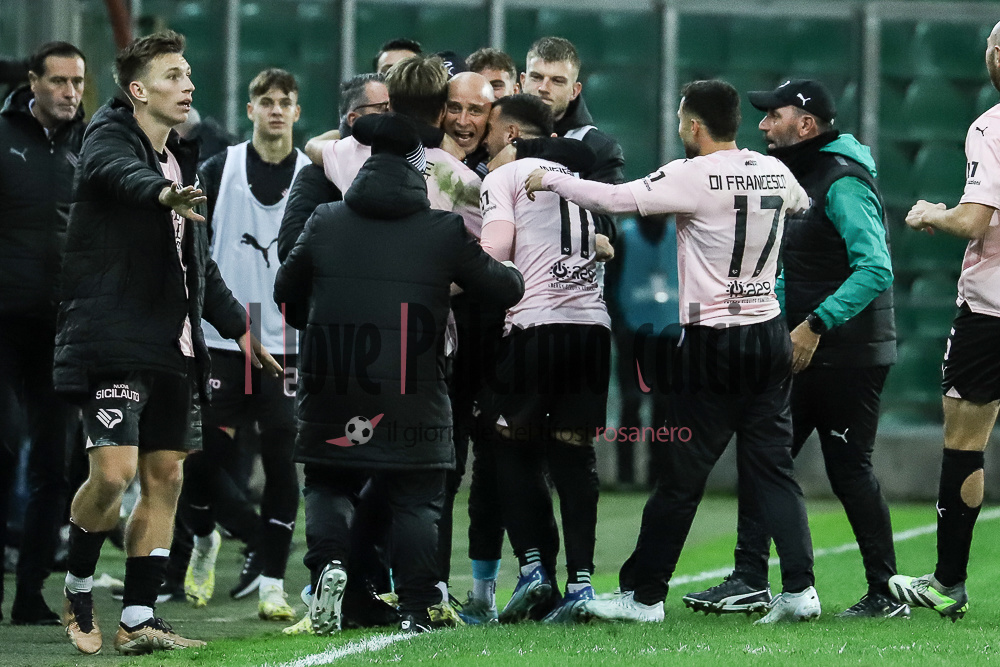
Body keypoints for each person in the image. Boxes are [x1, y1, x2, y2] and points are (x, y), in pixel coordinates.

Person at [526, 79, 819, 624]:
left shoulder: (692, 174)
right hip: (769, 332)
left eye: (683, 118)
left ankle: (644, 597)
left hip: (715, 340)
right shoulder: (776, 170)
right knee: (774, 469)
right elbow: (801, 207)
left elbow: (618, 198)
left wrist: (552, 180)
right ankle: (801, 590)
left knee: (681, 477)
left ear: (693, 125)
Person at [54, 30, 278, 655]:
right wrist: (160, 194)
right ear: (138, 90)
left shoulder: (181, 161)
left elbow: (199, 268)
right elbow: (114, 173)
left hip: (176, 347)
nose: (189, 86)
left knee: (166, 477)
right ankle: (75, 586)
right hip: (115, 338)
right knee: (113, 473)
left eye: (188, 75)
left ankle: (137, 619)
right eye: (175, 75)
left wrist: (238, 328)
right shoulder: (109, 134)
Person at [274, 111, 524, 634]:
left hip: (331, 381)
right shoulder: (442, 229)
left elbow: (285, 289)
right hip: (415, 387)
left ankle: (332, 568)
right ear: (419, 168)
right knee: (416, 494)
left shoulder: (324, 219)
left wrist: (316, 325)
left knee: (327, 480)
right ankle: (417, 604)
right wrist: (518, 266)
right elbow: (502, 288)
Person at [683, 79, 904, 619]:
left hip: (850, 353)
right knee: (766, 459)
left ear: (805, 125)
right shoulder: (794, 177)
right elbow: (790, 268)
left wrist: (814, 324)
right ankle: (749, 579)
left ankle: (885, 590)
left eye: (773, 116)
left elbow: (875, 268)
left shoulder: (843, 181)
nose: (762, 126)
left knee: (848, 469)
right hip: (801, 347)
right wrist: (780, 320)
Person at [177, 68, 310, 621]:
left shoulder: (313, 174)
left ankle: (273, 580)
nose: (275, 110)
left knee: (282, 456)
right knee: (200, 458)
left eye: (285, 102)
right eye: (265, 101)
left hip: (287, 343)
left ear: (297, 112)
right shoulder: (219, 167)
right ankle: (207, 534)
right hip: (223, 338)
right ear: (250, 108)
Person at [479, 93, 612, 624]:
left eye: (490, 129)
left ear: (511, 133)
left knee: (509, 442)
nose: (484, 139)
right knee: (575, 453)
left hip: (535, 325)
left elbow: (493, 256)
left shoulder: (505, 176)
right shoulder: (579, 178)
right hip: (591, 328)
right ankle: (580, 583)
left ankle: (535, 568)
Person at [888, 21, 1000, 622]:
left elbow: (978, 219)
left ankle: (949, 582)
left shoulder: (990, 126)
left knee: (964, 443)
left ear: (997, 57)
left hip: (992, 311)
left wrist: (934, 211)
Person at [0, 40, 86, 626]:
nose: (70, 93)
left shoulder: (93, 145)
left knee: (55, 465)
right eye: (58, 82)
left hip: (62, 328)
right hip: (3, 322)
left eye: (78, 83)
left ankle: (30, 594)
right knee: (4, 444)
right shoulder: (2, 140)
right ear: (33, 83)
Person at [277, 73, 388, 265]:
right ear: (353, 118)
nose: (392, 117)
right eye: (383, 109)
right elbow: (290, 246)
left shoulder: (399, 169)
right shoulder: (315, 176)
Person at [521, 36, 624, 241]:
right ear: (522, 81)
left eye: (557, 81)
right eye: (536, 77)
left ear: (574, 91)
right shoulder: (496, 134)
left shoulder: (600, 148)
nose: (543, 87)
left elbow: (607, 227)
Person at [443, 71, 494, 177]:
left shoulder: (505, 163)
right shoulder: (419, 149)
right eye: (454, 108)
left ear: (491, 115)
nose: (462, 121)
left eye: (475, 111)